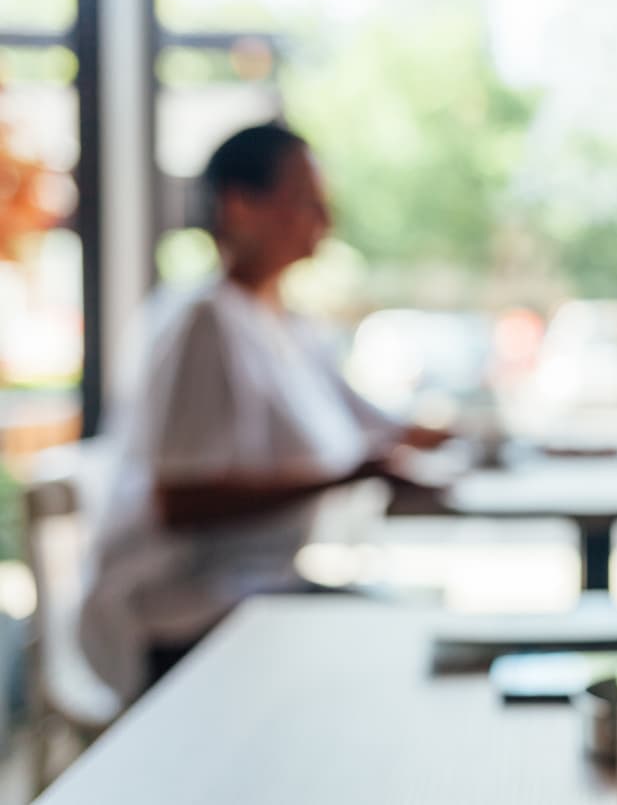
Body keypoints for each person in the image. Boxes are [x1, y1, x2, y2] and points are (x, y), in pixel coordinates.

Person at [78, 123, 446, 701]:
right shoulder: (204, 322)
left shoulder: (285, 323)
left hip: (256, 587)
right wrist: (350, 474)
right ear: (238, 206)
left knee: (418, 629)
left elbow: (379, 427)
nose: (324, 221)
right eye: (306, 203)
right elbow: (179, 501)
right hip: (180, 611)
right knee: (401, 651)